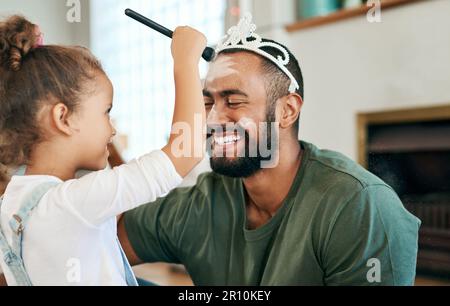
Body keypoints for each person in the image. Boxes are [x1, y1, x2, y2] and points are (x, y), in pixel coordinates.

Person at [118, 14, 421, 286]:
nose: (211, 119)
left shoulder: (361, 207)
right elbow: (104, 243)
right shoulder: (200, 203)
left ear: (287, 111)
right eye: (208, 102)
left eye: (234, 101)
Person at [0, 15, 206, 286]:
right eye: (106, 112)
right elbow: (186, 150)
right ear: (64, 118)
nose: (111, 130)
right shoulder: (74, 202)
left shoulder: (15, 200)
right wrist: (186, 62)